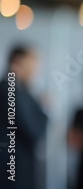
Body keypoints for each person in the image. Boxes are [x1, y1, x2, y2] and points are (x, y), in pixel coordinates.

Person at [0, 45, 48, 189]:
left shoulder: (20, 90)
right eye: (32, 61)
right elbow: (33, 131)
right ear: (18, 61)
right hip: (14, 167)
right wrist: (45, 111)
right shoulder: (9, 90)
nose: (36, 67)